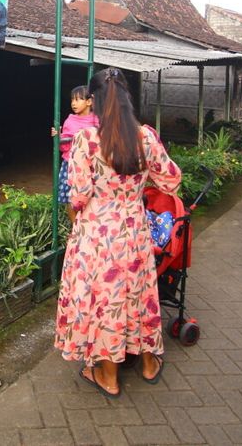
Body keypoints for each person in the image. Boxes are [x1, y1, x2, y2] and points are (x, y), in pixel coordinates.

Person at [55, 68, 181, 397]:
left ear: (94, 101)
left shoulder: (87, 140)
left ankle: (108, 376)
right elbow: (171, 181)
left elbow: (78, 195)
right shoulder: (147, 137)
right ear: (127, 97)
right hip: (135, 232)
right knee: (139, 296)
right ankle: (150, 363)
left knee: (105, 301)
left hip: (97, 235)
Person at [50, 85, 98, 218]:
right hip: (70, 165)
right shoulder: (70, 121)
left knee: (91, 197)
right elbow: (64, 147)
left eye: (78, 100)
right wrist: (58, 138)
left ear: (89, 102)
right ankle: (75, 230)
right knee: (71, 198)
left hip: (91, 166)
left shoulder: (97, 121)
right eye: (72, 100)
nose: (73, 103)